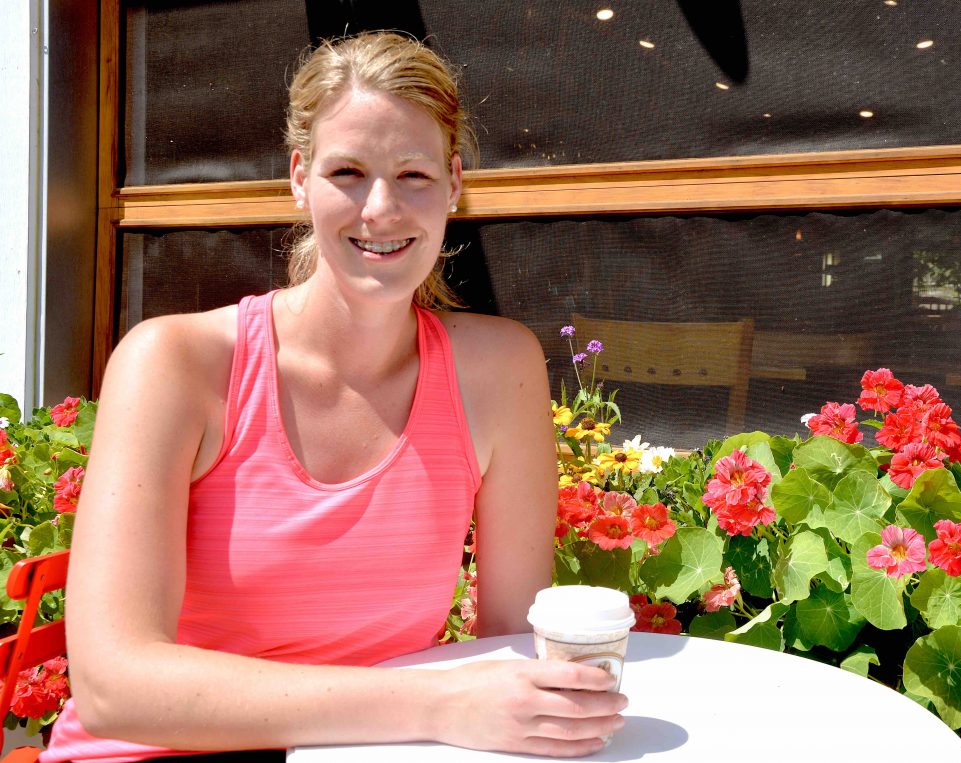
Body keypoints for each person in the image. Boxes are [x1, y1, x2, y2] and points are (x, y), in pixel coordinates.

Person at [45, 31, 626, 763]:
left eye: (413, 174)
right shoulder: (174, 365)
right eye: (348, 171)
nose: (381, 207)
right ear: (300, 178)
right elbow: (115, 687)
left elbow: (510, 641)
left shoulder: (497, 370)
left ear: (453, 183)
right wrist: (438, 705)